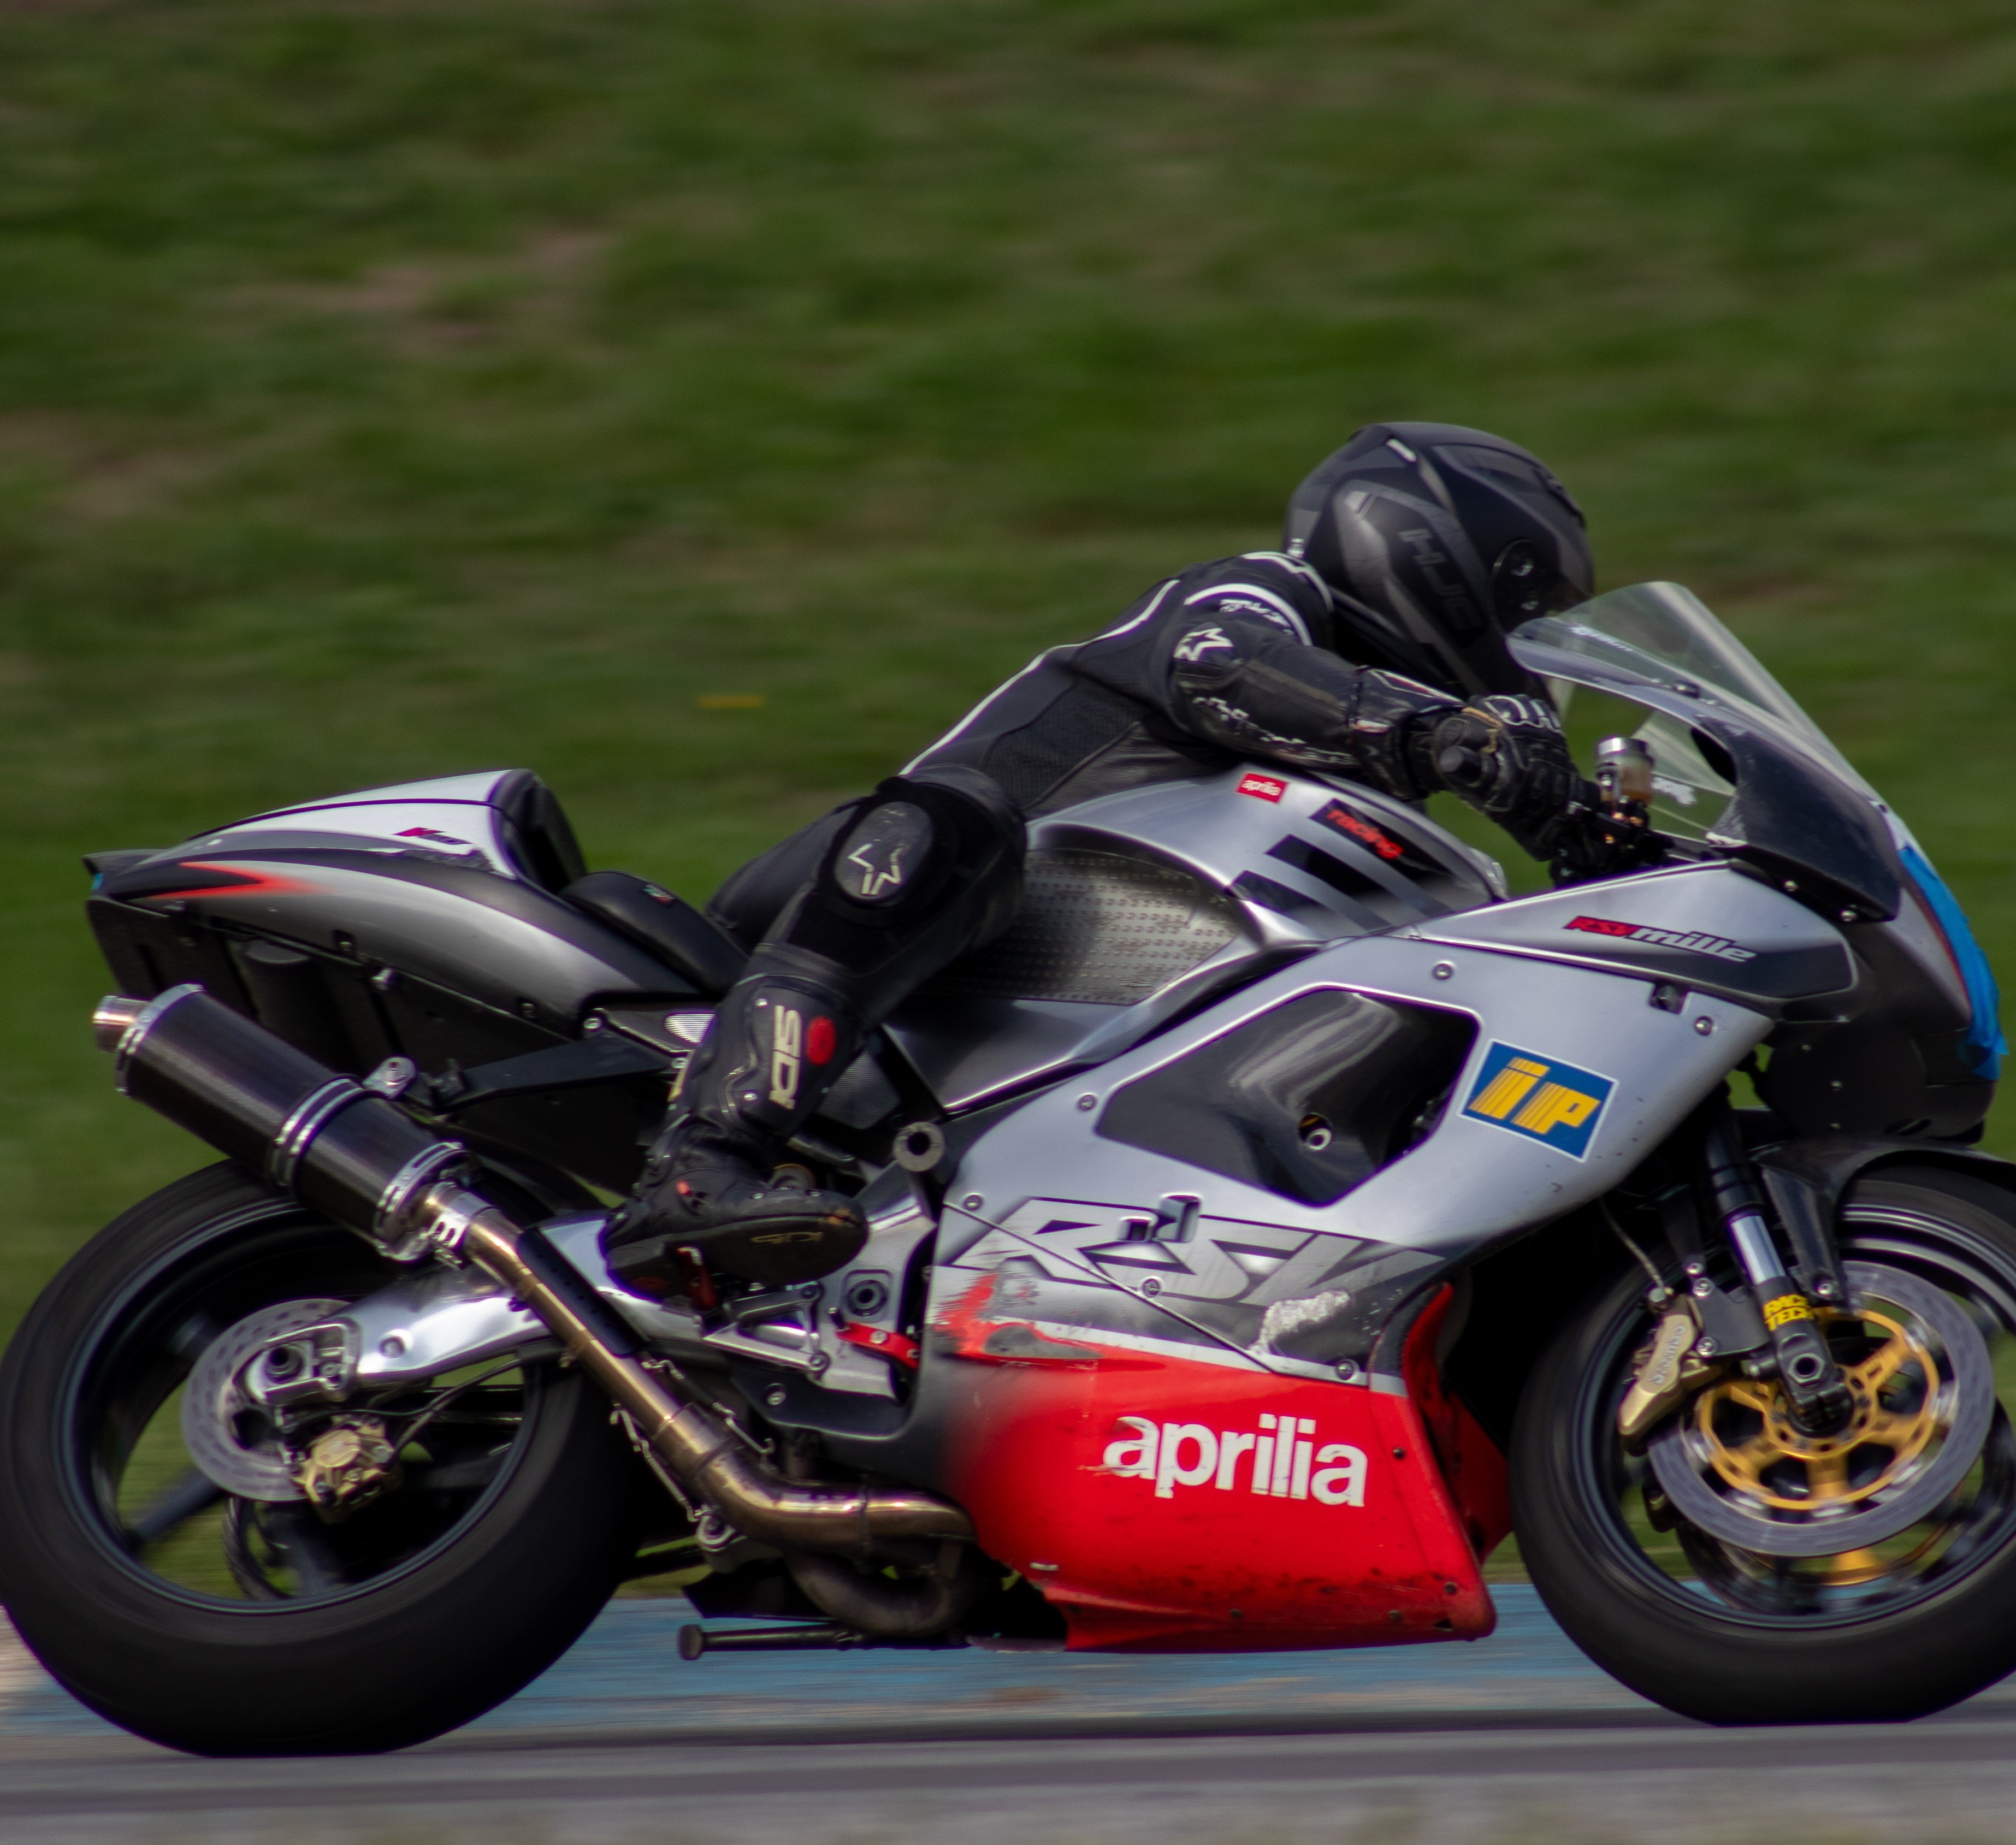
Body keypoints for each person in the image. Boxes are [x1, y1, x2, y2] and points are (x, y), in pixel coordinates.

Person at [605, 421, 1632, 1291]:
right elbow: (1218, 666)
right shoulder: (1265, 598)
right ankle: (701, 1161)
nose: (1536, 648)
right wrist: (1445, 734)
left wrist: (1595, 839)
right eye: (1532, 612)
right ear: (1438, 559)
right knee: (961, 823)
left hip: (1014, 1002)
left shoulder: (1372, 794)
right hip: (856, 907)